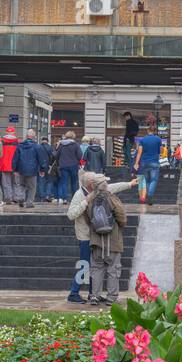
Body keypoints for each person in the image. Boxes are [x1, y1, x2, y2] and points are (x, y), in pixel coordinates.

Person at [66, 170, 136, 303]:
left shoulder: (99, 190)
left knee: (94, 267)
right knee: (85, 265)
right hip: (85, 237)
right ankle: (74, 292)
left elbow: (114, 187)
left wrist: (129, 184)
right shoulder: (79, 195)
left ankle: (94, 294)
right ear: (91, 184)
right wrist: (85, 202)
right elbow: (71, 214)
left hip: (96, 237)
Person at [85, 174, 128, 305]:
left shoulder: (89, 200)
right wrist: (120, 225)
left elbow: (88, 218)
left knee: (96, 269)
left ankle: (95, 296)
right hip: (113, 242)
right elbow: (122, 217)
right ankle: (111, 297)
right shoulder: (112, 198)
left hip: (96, 242)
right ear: (105, 185)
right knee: (113, 269)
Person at [15, 129, 48, 208]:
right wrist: (42, 169)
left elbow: (15, 158)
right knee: (32, 187)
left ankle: (21, 198)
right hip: (32, 170)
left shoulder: (20, 145)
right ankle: (29, 203)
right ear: (34, 137)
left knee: (22, 185)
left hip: (21, 169)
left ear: (26, 136)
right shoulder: (37, 146)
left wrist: (15, 169)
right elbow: (41, 159)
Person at [132, 124, 164, 206]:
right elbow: (161, 151)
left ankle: (148, 194)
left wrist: (136, 163)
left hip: (144, 163)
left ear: (148, 131)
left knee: (148, 180)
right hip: (154, 162)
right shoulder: (158, 139)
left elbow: (139, 153)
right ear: (155, 131)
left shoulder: (143, 140)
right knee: (154, 180)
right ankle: (150, 195)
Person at [54, 130, 81, 204]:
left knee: (64, 182)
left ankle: (65, 199)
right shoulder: (76, 145)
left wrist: (59, 162)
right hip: (73, 165)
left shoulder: (61, 145)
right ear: (73, 136)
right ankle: (74, 199)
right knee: (74, 182)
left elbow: (56, 155)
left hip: (63, 166)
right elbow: (80, 155)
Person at [0, 126, 21, 205]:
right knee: (16, 183)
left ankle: (8, 198)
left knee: (6, 183)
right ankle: (16, 197)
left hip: (4, 165)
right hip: (15, 166)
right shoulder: (17, 141)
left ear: (6, 132)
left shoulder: (1, 141)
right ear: (14, 132)